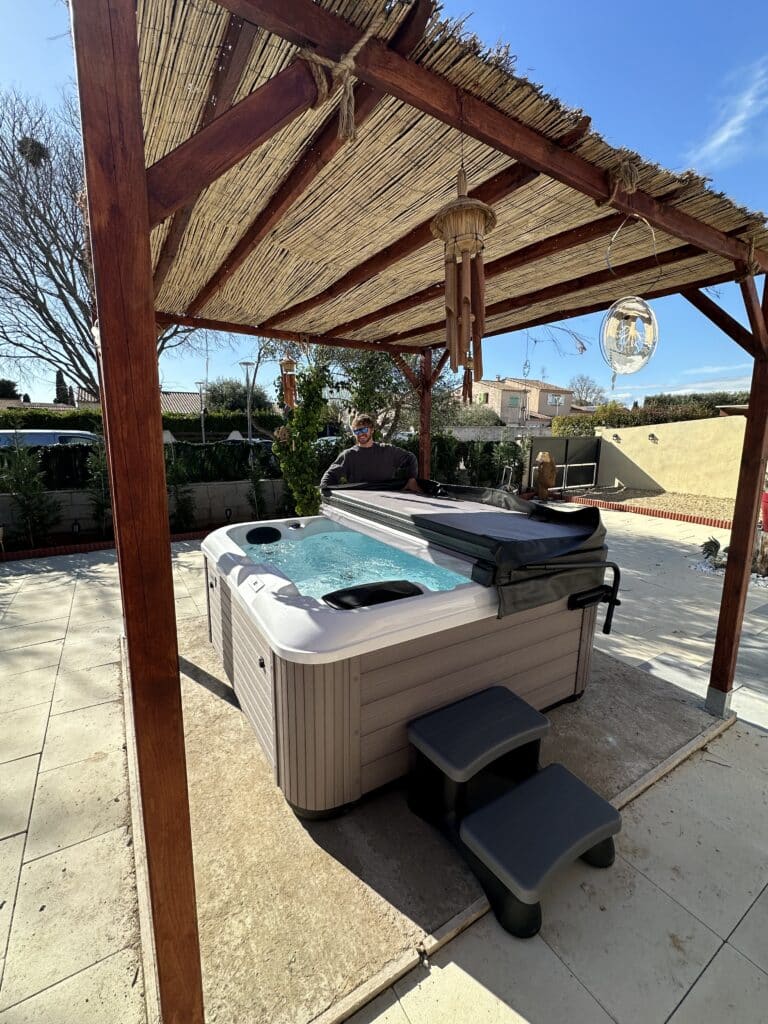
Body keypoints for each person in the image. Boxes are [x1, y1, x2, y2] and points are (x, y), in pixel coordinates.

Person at [320, 414, 420, 491]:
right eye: (357, 431)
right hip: (362, 504)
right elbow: (328, 478)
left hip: (388, 503)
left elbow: (411, 459)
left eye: (364, 429)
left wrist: (411, 480)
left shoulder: (387, 451)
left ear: (372, 430)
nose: (361, 434)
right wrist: (325, 492)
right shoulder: (349, 455)